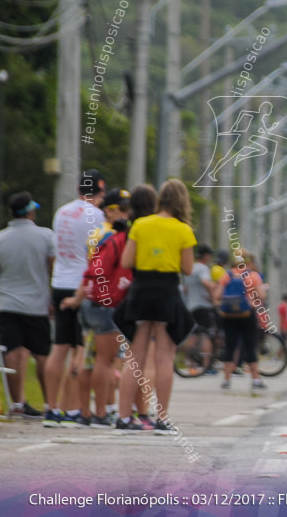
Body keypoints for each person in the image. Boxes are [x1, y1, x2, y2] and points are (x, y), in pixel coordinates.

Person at [116, 179, 196, 434]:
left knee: (135, 357)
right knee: (164, 357)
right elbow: (188, 268)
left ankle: (124, 417)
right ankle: (162, 418)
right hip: (166, 292)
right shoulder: (183, 230)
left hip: (141, 290)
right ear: (182, 201)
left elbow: (127, 260)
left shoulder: (140, 224)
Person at [60, 187, 132, 427]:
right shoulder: (115, 236)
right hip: (106, 302)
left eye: (128, 209)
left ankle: (85, 412)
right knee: (106, 361)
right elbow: (101, 270)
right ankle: (100, 412)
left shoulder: (96, 234)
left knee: (88, 360)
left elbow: (89, 271)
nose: (126, 214)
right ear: (109, 211)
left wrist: (79, 297)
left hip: (91, 300)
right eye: (122, 209)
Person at [45, 169, 105, 427]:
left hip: (59, 282)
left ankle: (51, 408)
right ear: (99, 191)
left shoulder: (61, 212)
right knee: (81, 350)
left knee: (59, 348)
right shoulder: (98, 216)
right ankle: (73, 410)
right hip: (83, 285)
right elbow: (96, 257)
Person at [0, 192, 55, 419]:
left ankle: (18, 404)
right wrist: (52, 298)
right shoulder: (45, 236)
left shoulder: (1, 238)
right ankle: (50, 404)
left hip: (7, 303)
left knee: (12, 351)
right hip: (37, 305)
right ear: (31, 211)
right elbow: (53, 269)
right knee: (42, 354)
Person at [215, 249, 267, 390]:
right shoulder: (253, 276)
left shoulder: (227, 275)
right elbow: (262, 295)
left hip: (229, 316)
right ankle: (256, 380)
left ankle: (226, 380)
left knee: (229, 346)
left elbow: (217, 295)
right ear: (248, 260)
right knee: (250, 345)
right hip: (247, 315)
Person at [179, 244, 218, 375]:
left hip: (190, 306)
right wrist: (213, 294)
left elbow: (185, 289)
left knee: (193, 335)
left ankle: (190, 363)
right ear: (206, 256)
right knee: (206, 335)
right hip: (203, 306)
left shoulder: (190, 268)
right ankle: (207, 366)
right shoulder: (203, 268)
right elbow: (206, 283)